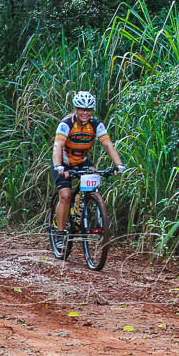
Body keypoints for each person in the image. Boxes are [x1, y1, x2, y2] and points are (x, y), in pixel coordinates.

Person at [51, 91, 126, 245]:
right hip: (62, 162)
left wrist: (118, 164)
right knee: (65, 195)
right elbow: (58, 145)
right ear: (75, 109)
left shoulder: (96, 124)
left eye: (88, 110)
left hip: (81, 161)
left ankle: (85, 214)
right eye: (81, 109)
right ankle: (59, 233)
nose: (85, 113)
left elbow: (107, 144)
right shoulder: (67, 124)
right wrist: (59, 166)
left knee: (92, 183)